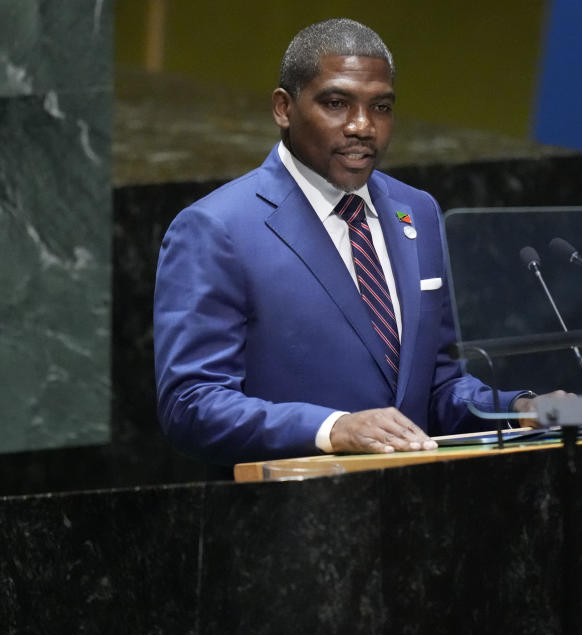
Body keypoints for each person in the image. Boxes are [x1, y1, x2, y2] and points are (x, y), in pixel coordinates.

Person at [153, 18, 546, 466]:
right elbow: (192, 404)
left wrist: (520, 410)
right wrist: (333, 429)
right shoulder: (216, 228)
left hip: (417, 508)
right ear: (284, 108)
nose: (363, 126)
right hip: (291, 515)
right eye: (337, 103)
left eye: (381, 107)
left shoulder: (416, 211)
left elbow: (436, 386)